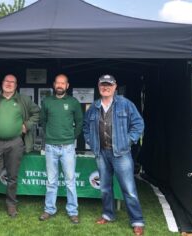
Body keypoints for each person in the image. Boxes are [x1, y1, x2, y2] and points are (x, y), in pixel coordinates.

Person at [83, 74, 145, 236]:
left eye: (109, 85)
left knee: (129, 189)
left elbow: (138, 124)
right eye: (103, 84)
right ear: (98, 87)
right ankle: (108, 215)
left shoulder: (125, 104)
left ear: (115, 86)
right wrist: (91, 141)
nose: (106, 87)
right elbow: (85, 127)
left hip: (121, 153)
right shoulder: (94, 107)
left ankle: (137, 221)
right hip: (101, 153)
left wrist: (129, 140)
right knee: (104, 187)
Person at [0, 74, 40, 219]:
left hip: (15, 142)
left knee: (12, 176)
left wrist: (27, 125)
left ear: (16, 86)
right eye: (6, 81)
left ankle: (11, 204)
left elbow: (37, 113)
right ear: (2, 83)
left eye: (12, 82)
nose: (9, 84)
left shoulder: (23, 100)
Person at [39, 74, 83, 224]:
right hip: (50, 147)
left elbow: (79, 122)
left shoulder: (73, 102)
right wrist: (50, 135)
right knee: (51, 181)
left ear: (67, 86)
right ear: (54, 84)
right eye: (57, 82)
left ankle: (72, 211)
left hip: (68, 147)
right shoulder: (46, 101)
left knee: (70, 181)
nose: (60, 85)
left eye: (62, 83)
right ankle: (49, 209)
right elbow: (43, 121)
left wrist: (72, 137)